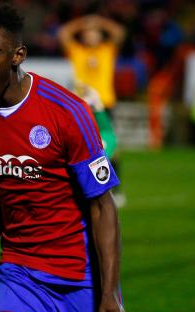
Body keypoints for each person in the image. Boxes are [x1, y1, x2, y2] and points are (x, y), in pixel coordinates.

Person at [0, 1, 195, 312]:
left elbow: (103, 207)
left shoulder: (67, 112)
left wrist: (109, 291)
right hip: (21, 272)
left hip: (82, 273)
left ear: (17, 56)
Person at [58, 14, 126, 206]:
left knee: (112, 148)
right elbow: (63, 33)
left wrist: (98, 21)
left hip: (105, 104)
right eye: (88, 33)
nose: (91, 35)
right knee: (78, 147)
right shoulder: (77, 51)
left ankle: (116, 190)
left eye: (94, 32)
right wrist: (84, 22)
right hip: (81, 106)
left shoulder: (107, 50)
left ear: (100, 35)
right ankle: (78, 187)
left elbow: (120, 32)